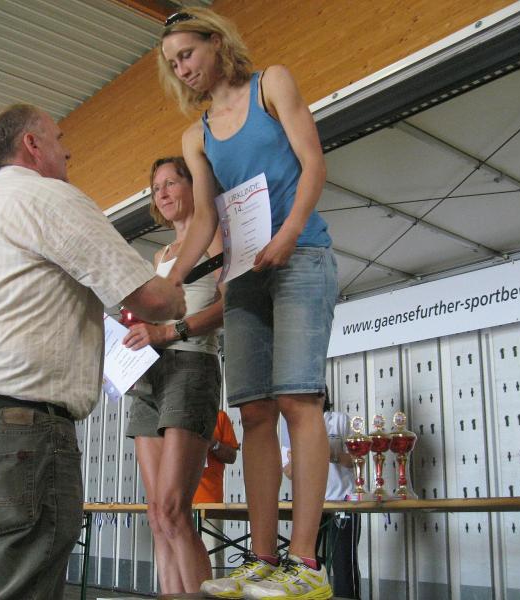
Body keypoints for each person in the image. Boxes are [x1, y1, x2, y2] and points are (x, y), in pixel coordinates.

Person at [0, 103, 185, 600]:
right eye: (59, 138)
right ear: (32, 144)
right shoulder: (49, 198)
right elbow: (155, 301)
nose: (67, 151)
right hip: (18, 428)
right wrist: (178, 291)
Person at [158, 7, 338, 599]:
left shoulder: (271, 85)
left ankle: (305, 563)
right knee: (255, 412)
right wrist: (173, 282)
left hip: (300, 254)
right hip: (244, 275)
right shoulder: (196, 135)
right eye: (172, 64)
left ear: (216, 42)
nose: (182, 69)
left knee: (297, 398)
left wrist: (289, 233)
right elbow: (204, 219)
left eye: (187, 54)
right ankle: (262, 558)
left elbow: (313, 163)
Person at [121, 156, 224, 594]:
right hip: (150, 374)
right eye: (156, 187)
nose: (162, 193)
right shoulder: (159, 256)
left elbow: (229, 305)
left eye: (171, 182)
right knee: (156, 515)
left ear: (193, 186)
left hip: (190, 365)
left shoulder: (215, 237)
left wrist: (169, 331)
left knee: (173, 510)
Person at [283, 391, 360, 599]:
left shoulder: (340, 420)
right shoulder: (292, 425)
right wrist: (299, 458)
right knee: (303, 561)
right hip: (308, 505)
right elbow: (288, 472)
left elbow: (356, 460)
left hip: (342, 502)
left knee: (343, 563)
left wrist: (329, 454)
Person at [193, 409, 240, 572]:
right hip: (177, 501)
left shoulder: (219, 417)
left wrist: (214, 444)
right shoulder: (172, 415)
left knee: (212, 558)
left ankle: (213, 588)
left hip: (210, 502)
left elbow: (232, 456)